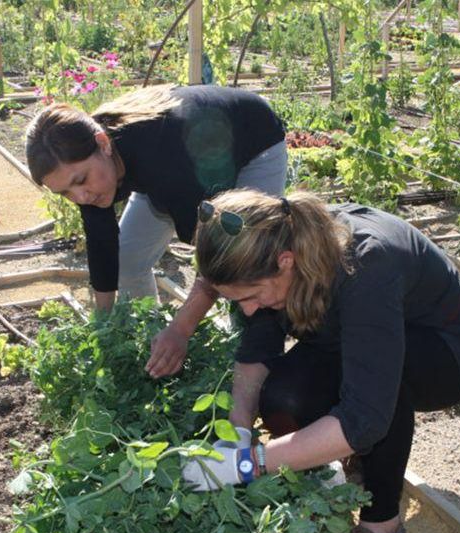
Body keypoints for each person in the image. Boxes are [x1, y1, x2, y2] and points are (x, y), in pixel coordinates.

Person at [181, 189, 460, 533]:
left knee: (377, 394)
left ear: (285, 263)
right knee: (283, 396)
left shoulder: (365, 264)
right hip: (363, 338)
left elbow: (364, 415)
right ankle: (352, 456)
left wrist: (245, 466)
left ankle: (383, 526)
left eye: (250, 296)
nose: (246, 308)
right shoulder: (273, 245)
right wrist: (237, 434)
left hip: (450, 352)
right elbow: (256, 349)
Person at [24, 85, 287, 377]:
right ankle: (152, 346)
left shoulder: (166, 162)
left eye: (80, 180)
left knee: (244, 269)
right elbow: (103, 247)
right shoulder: (93, 173)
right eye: (65, 193)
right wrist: (104, 329)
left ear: (103, 143)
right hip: (172, 168)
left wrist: (180, 330)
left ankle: (242, 366)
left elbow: (216, 257)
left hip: (252, 146)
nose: (80, 197)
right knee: (129, 262)